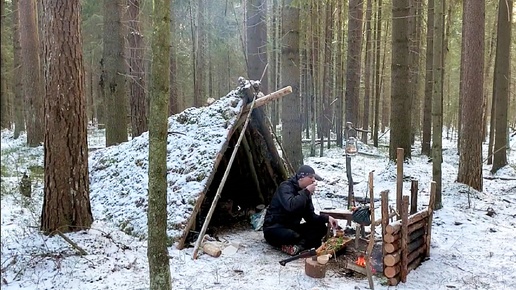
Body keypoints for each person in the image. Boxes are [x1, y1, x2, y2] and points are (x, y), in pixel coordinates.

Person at [263, 165, 338, 256]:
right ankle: (301, 244)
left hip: (293, 227)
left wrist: (327, 218)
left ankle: (298, 246)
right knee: (292, 235)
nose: (313, 180)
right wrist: (306, 192)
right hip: (274, 228)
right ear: (301, 177)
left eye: (314, 177)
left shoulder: (305, 193)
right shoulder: (285, 187)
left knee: (320, 227)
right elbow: (291, 206)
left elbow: (310, 216)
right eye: (310, 177)